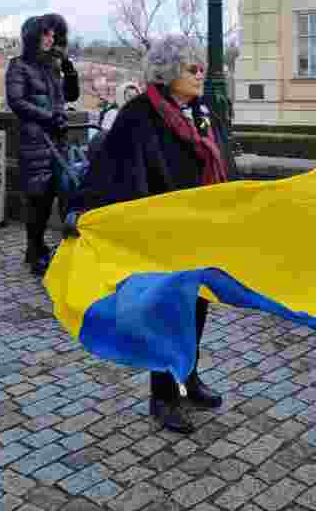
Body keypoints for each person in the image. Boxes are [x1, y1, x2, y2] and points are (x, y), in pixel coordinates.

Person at [71, 35, 236, 434]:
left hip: (199, 230)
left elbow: (223, 161)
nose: (201, 74)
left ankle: (189, 377)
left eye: (202, 67)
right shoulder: (140, 114)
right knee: (165, 312)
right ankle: (162, 396)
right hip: (160, 234)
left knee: (197, 307)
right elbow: (111, 167)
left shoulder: (202, 112)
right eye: (191, 68)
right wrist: (83, 209)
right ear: (168, 72)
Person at [6, 14, 80, 277]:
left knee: (64, 195)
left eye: (53, 35)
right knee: (39, 200)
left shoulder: (52, 66)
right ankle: (35, 249)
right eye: (46, 34)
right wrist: (49, 117)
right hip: (35, 141)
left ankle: (50, 250)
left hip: (57, 141)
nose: (51, 39)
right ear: (33, 36)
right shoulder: (19, 65)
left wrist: (69, 69)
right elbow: (16, 101)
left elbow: (71, 96)